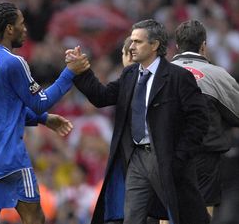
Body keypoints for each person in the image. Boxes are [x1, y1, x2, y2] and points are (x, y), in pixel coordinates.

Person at [67, 19, 210, 224]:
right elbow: (102, 97)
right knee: (132, 218)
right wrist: (81, 72)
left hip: (166, 159)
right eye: (132, 41)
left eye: (137, 42)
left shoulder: (179, 77)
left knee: (182, 215)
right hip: (135, 158)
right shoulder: (130, 74)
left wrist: (179, 157)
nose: (131, 46)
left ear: (155, 45)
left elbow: (199, 120)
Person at [0, 2, 89, 224]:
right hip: (7, 157)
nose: (26, 29)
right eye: (21, 24)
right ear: (9, 29)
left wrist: (44, 120)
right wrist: (70, 73)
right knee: (35, 218)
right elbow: (40, 102)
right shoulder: (13, 62)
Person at [172, 19, 239, 219]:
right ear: (203, 45)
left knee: (168, 206)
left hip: (168, 151)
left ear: (177, 45)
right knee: (204, 207)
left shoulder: (160, 73)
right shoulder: (218, 75)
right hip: (205, 154)